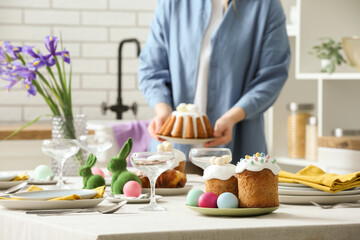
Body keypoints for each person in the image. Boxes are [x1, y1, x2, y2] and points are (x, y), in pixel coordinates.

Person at [138, 0, 290, 164]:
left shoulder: (266, 6)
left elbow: (271, 77)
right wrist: (163, 111)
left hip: (236, 152)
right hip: (170, 153)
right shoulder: (172, 3)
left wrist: (232, 117)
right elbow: (151, 68)